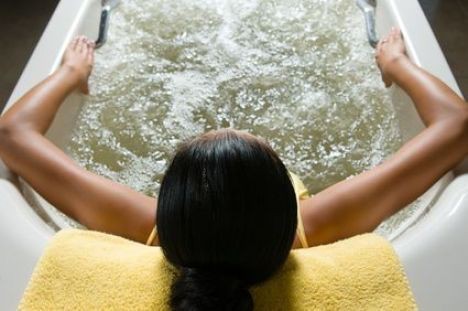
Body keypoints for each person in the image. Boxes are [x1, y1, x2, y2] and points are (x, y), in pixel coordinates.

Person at [0, 28, 467, 310]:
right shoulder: (317, 224)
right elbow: (456, 125)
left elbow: (12, 134)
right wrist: (397, 64)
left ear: (169, 209)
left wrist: (69, 74)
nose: (227, 123)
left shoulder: (146, 225)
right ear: (286, 206)